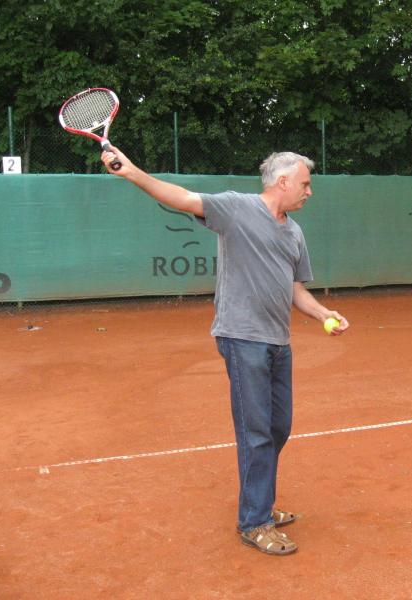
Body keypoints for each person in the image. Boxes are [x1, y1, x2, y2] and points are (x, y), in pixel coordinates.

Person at [101, 147, 349, 555]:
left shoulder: (294, 233)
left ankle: (260, 502)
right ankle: (255, 521)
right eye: (305, 184)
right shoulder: (237, 209)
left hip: (278, 342)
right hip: (242, 337)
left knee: (278, 428)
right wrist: (132, 173)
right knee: (256, 432)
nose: (309, 191)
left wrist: (324, 313)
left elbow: (295, 289)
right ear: (282, 182)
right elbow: (183, 198)